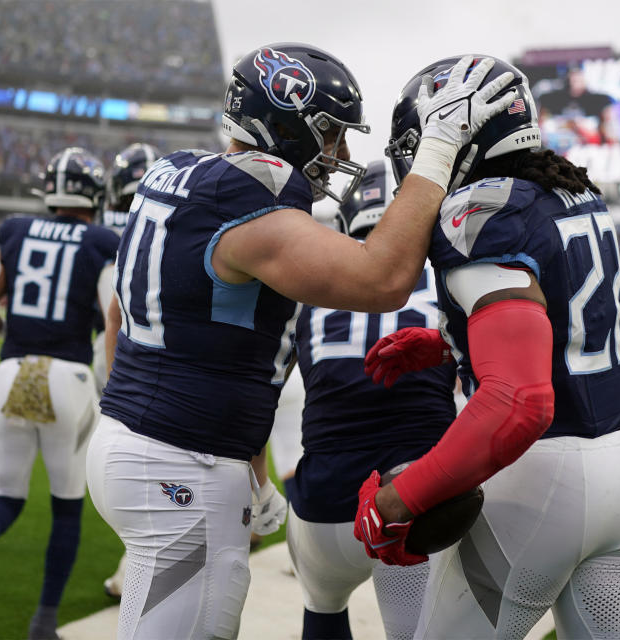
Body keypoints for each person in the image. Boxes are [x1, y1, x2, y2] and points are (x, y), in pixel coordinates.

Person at [85, 44, 514, 640]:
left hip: (133, 441)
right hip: (181, 461)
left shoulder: (177, 170)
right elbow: (383, 278)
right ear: (285, 122)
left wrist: (255, 475)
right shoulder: (249, 199)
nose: (338, 154)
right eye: (330, 134)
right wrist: (438, 151)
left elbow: (192, 341)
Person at [360, 56, 620, 639]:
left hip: (539, 480)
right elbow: (559, 321)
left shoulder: (480, 211)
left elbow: (519, 400)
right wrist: (450, 340)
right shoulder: (570, 191)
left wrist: (399, 501)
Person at [286, 160, 457, 640]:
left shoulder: (310, 288)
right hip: (411, 499)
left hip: (323, 500)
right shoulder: (445, 281)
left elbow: (272, 383)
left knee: (321, 609)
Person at [0, 147, 119, 639]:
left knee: (3, 497)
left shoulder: (14, 230)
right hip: (68, 377)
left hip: (13, 372)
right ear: (94, 194)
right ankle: (44, 619)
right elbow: (113, 315)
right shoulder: (101, 240)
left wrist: (17, 336)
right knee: (65, 506)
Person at [94, 142, 164, 599]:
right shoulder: (167, 219)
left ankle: (133, 565)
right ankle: (134, 564)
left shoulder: (104, 230)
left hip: (110, 359)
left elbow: (109, 316)